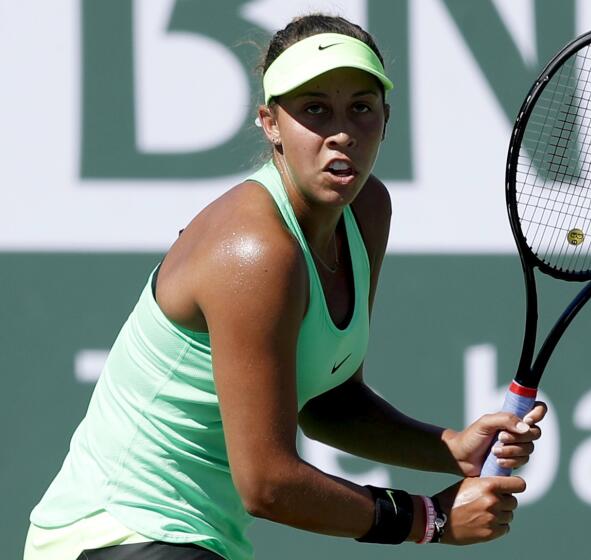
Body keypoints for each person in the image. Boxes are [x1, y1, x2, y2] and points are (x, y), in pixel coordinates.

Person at [24, 14, 547, 560]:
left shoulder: (367, 211)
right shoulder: (255, 250)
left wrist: (452, 449)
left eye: (361, 108)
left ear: (386, 120)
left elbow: (326, 403)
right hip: (119, 535)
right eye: (314, 109)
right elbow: (267, 484)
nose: (341, 131)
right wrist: (428, 519)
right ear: (270, 123)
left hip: (193, 541)